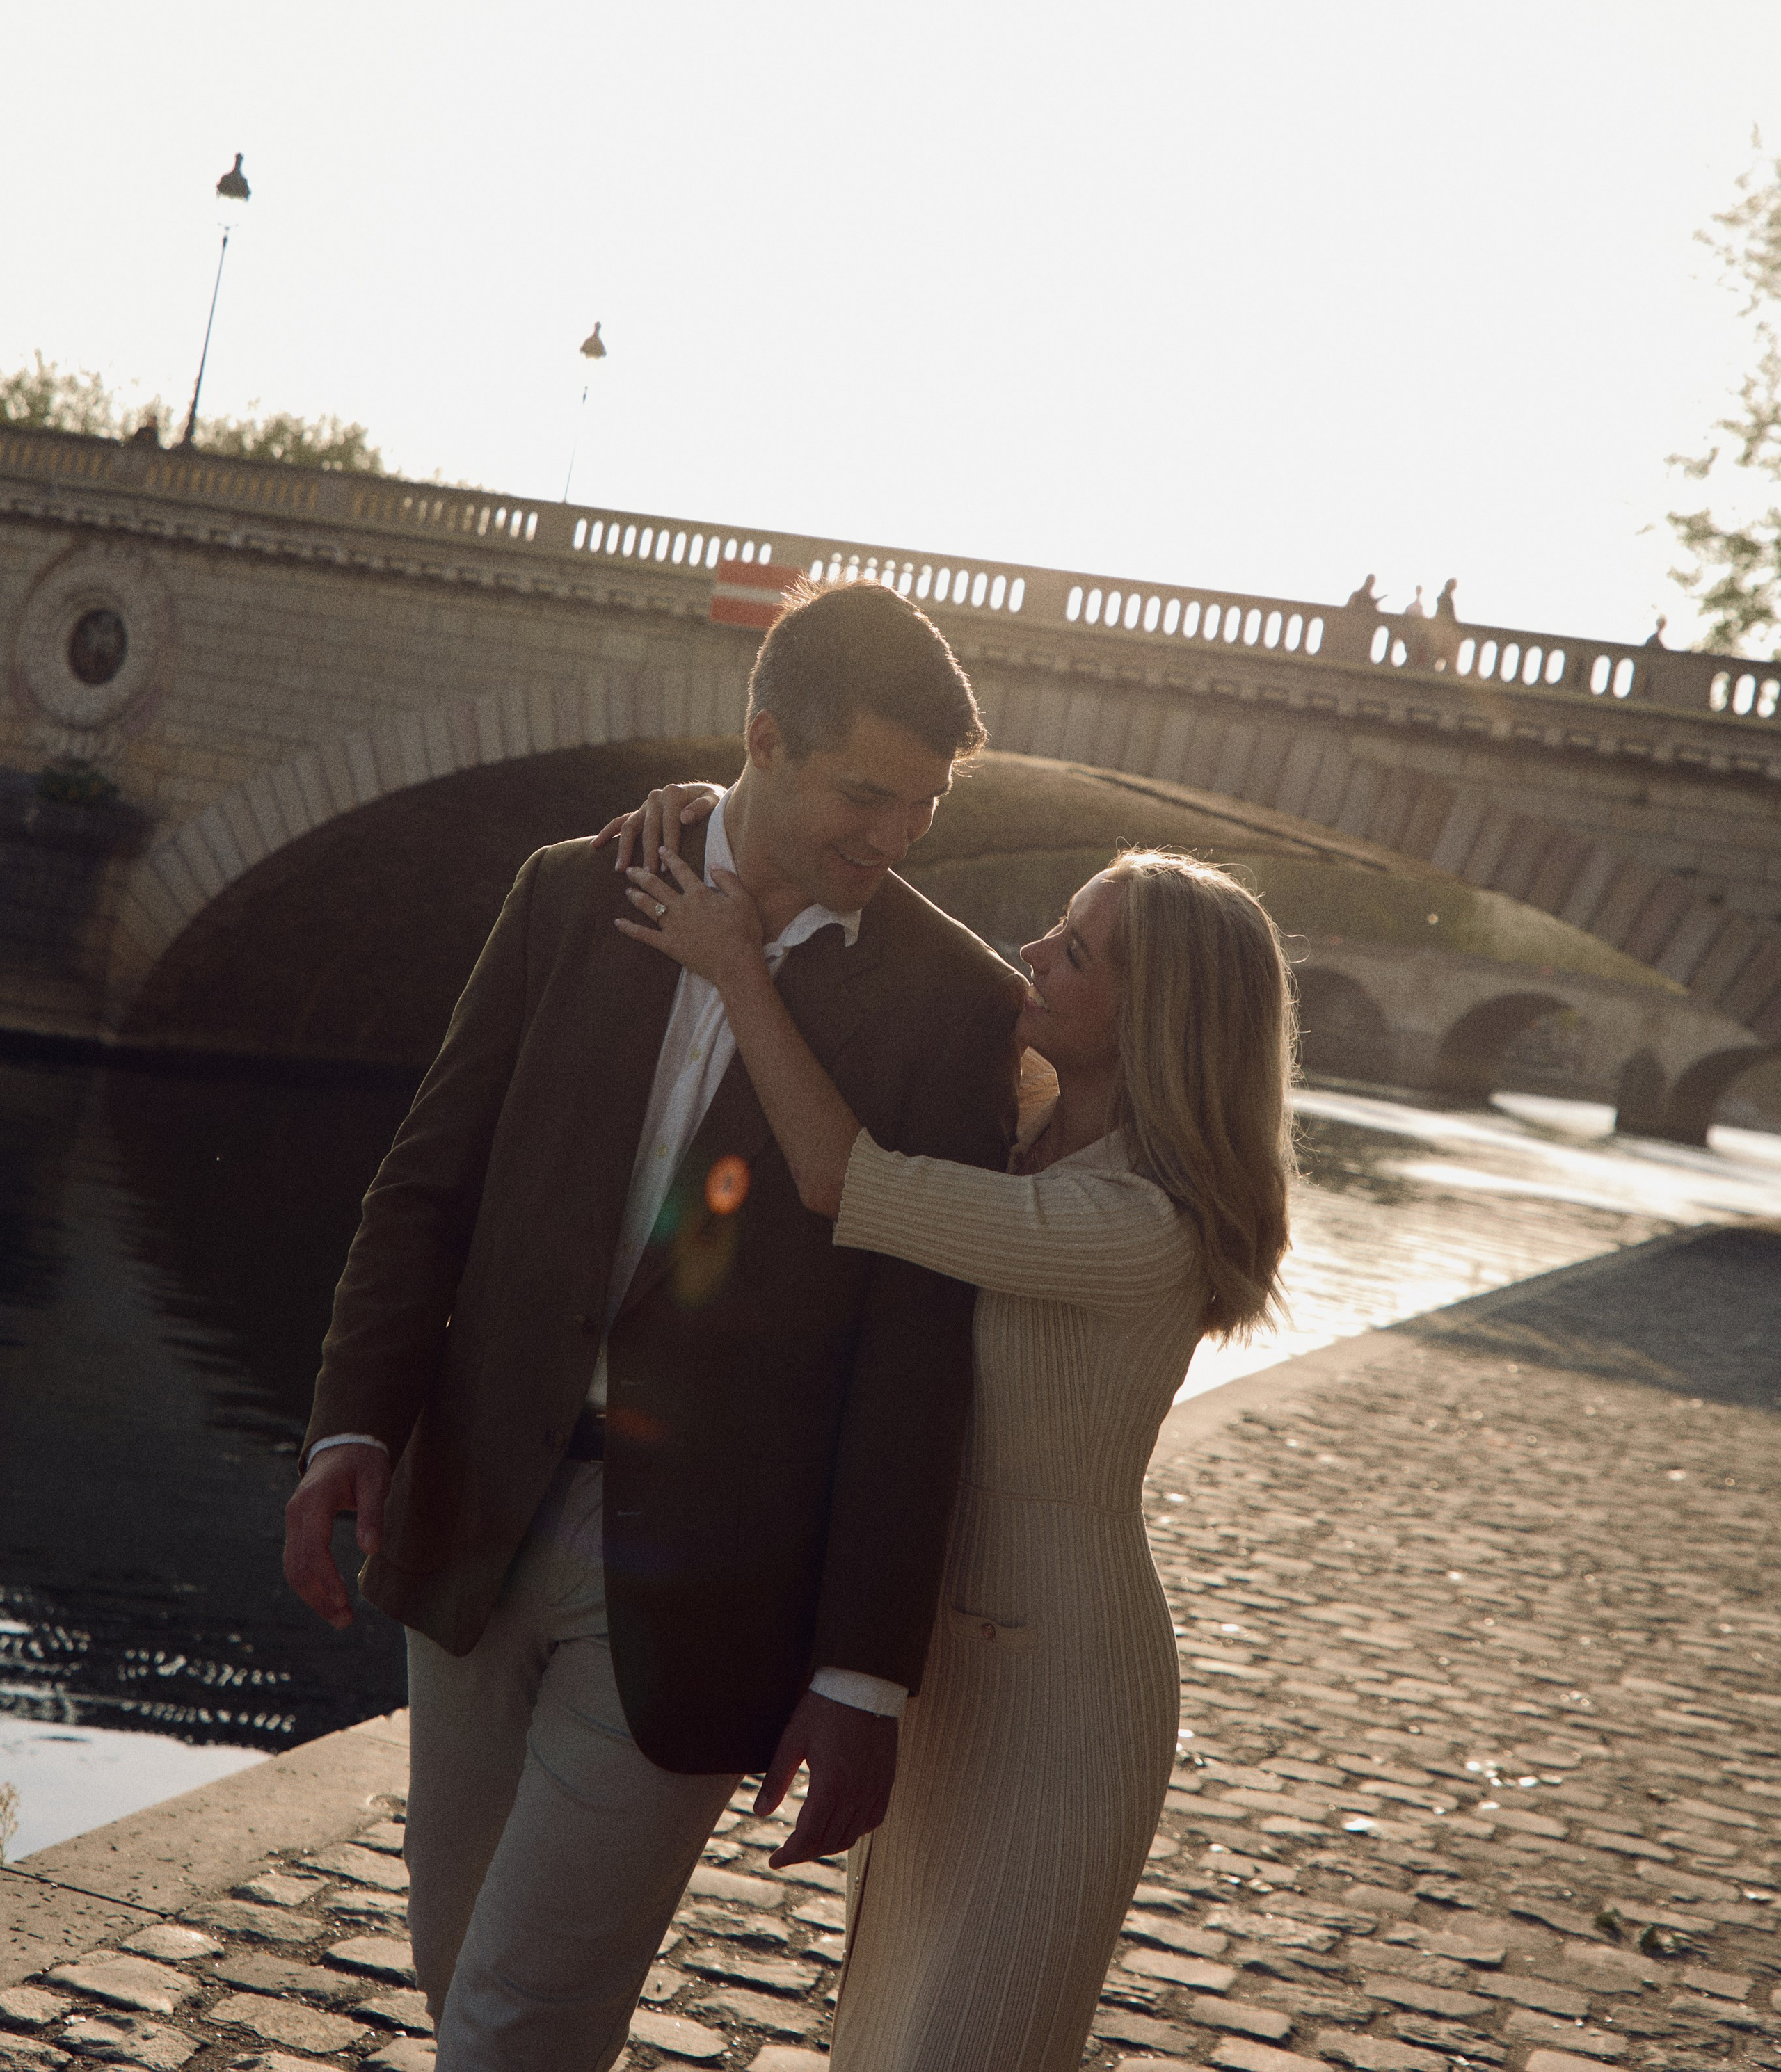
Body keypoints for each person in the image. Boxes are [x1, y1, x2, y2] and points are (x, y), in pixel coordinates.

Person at [282, 581, 1028, 2072]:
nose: (888, 839)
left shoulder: (956, 1005)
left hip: (705, 1578)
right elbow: (431, 1179)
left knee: (520, 2011)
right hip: (478, 1509)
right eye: (862, 794)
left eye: (921, 809)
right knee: (455, 1957)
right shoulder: (572, 891)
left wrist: (859, 1671)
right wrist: (350, 1425)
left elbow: (912, 1355)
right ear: (762, 737)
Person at [604, 793, 1295, 2072]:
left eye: (1074, 951)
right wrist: (726, 816)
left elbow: (840, 1179)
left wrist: (734, 964)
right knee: (880, 2039)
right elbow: (919, 978)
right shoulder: (1022, 1130)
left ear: (1157, 1018)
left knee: (967, 2046)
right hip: (926, 1659)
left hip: (1062, 1696)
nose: (1033, 951)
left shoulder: (1144, 1224)